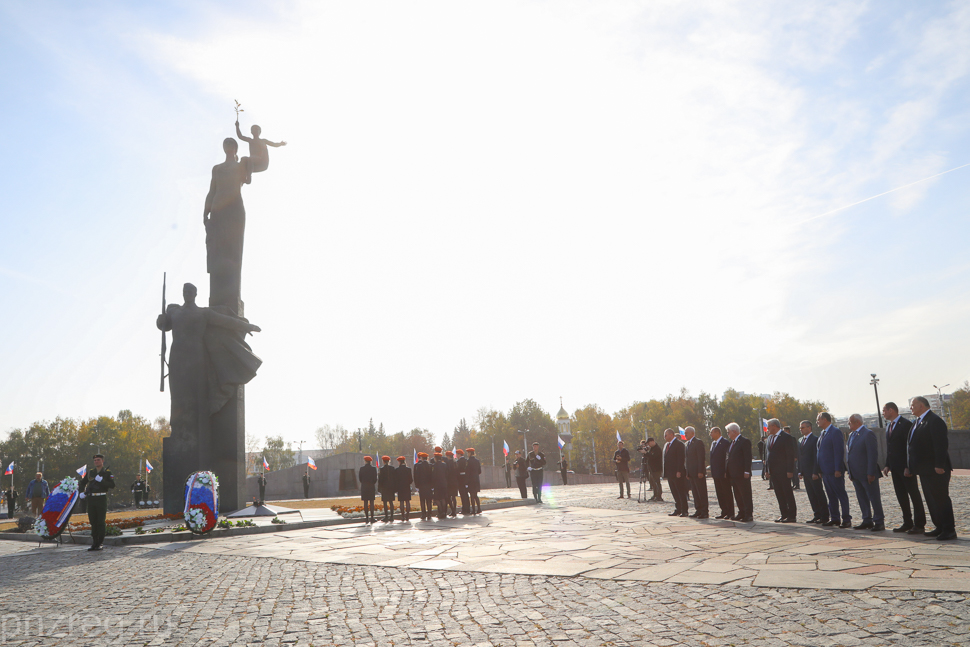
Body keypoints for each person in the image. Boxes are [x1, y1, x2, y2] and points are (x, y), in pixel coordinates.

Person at [907, 396, 956, 540]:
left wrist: (939, 465)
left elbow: (940, 445)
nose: (911, 408)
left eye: (912, 405)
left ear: (921, 405)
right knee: (931, 500)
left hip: (935, 469)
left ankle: (949, 529)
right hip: (924, 470)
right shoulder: (918, 421)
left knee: (941, 499)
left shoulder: (934, 421)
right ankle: (939, 526)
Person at [882, 402, 924, 534]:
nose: (883, 413)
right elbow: (890, 448)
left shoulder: (905, 424)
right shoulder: (889, 426)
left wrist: (908, 466)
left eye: (884, 410)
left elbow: (910, 447)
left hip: (906, 468)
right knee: (901, 496)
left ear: (891, 410)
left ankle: (919, 523)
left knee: (914, 495)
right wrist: (887, 464)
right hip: (895, 468)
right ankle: (907, 522)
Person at [846, 413, 885, 531]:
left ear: (857, 422)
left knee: (874, 497)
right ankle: (867, 520)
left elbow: (872, 455)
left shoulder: (868, 434)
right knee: (862, 498)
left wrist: (871, 472)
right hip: (856, 474)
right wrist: (850, 472)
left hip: (867, 473)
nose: (848, 424)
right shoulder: (852, 435)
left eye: (850, 422)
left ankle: (879, 521)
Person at [816, 411, 852, 528]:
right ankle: (835, 518)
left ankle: (846, 519)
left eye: (818, 419)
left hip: (834, 470)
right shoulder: (822, 433)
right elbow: (819, 453)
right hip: (825, 471)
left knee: (840, 494)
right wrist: (820, 470)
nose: (817, 421)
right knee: (831, 496)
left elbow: (838, 451)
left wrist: (838, 469)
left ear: (825, 419)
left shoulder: (835, 432)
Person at [78, 454, 115, 551]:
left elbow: (112, 485)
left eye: (98, 460)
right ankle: (94, 542)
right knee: (93, 521)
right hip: (91, 499)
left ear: (102, 461)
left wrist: (102, 481)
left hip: (101, 498)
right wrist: (81, 492)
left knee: (100, 522)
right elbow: (82, 482)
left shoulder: (107, 472)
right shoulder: (91, 472)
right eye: (95, 460)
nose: (96, 462)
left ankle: (100, 542)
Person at [764, 419, 797, 523]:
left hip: (784, 470)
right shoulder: (769, 438)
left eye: (768, 426)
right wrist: (767, 469)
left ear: (774, 426)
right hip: (773, 471)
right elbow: (767, 455)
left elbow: (790, 455)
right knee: (779, 493)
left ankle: (791, 515)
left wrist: (790, 470)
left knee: (787, 493)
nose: (767, 428)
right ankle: (784, 514)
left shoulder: (786, 437)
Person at [797, 420, 829, 524]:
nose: (801, 430)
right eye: (800, 428)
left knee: (818, 494)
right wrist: (800, 471)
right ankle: (817, 514)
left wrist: (816, 471)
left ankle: (824, 516)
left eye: (803, 427)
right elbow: (801, 457)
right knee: (811, 495)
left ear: (809, 428)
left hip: (813, 472)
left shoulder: (815, 439)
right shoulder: (801, 440)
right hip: (805, 472)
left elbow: (816, 457)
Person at [724, 423, 753, 522]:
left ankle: (748, 514)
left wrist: (747, 471)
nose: (727, 434)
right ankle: (741, 512)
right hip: (733, 474)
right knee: (737, 495)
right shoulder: (731, 443)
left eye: (728, 432)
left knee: (745, 494)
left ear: (734, 431)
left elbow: (747, 457)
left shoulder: (744, 441)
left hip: (741, 474)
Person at [662, 429, 688, 517]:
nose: (664, 437)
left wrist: (679, 471)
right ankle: (678, 509)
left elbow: (680, 459)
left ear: (671, 435)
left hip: (677, 472)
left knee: (680, 491)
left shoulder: (679, 444)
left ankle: (684, 510)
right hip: (670, 473)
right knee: (674, 491)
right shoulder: (667, 445)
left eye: (666, 435)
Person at [684, 427, 708, 518]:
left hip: (698, 473)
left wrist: (700, 471)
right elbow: (687, 460)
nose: (685, 434)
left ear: (692, 433)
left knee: (701, 492)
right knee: (695, 492)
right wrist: (687, 473)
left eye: (687, 433)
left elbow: (701, 458)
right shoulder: (687, 444)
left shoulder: (698, 442)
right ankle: (698, 510)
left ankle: (704, 511)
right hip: (691, 473)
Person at [709, 427, 733, 519]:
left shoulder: (725, 442)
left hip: (723, 473)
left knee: (726, 493)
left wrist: (726, 471)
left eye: (712, 433)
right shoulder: (713, 443)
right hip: (716, 473)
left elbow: (727, 458)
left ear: (717, 433)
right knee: (720, 493)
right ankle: (724, 511)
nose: (710, 435)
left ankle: (730, 512)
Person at [413, 452, 433, 521]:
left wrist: (417, 485)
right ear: (427, 458)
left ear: (421, 458)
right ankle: (429, 514)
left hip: (421, 485)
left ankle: (423, 514)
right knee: (429, 500)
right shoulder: (430, 465)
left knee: (422, 500)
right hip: (429, 485)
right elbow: (432, 476)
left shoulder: (418, 466)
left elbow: (417, 476)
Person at [359, 456, 377, 524]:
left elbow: (360, 478)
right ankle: (372, 518)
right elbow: (375, 479)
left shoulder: (362, 469)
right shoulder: (373, 468)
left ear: (365, 461)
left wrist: (364, 483)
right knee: (371, 503)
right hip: (371, 487)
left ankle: (367, 518)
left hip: (364, 487)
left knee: (365, 503)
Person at [431, 452, 450, 519]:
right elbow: (447, 474)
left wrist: (432, 485)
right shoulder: (444, 464)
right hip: (444, 483)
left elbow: (433, 476)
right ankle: (444, 512)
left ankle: (441, 511)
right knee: (443, 498)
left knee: (437, 499)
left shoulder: (434, 465)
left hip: (437, 484)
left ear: (435, 458)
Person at [378, 456, 396, 523]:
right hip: (391, 488)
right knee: (391, 502)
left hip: (385, 488)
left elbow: (380, 480)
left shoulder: (382, 469)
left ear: (383, 461)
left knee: (385, 503)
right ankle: (392, 516)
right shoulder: (392, 468)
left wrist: (379, 488)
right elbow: (395, 478)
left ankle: (386, 517)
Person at [395, 456, 413, 522]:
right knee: (407, 501)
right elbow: (411, 480)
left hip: (400, 488)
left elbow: (396, 480)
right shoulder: (408, 469)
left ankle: (402, 516)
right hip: (407, 487)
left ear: (399, 462)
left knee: (401, 502)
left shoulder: (397, 470)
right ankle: (407, 516)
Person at [466, 448, 482, 514]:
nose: (467, 454)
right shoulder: (477, 461)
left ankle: (473, 510)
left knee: (472, 496)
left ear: (470, 453)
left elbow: (467, 472)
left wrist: (466, 481)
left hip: (471, 480)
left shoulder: (468, 461)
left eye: (468, 453)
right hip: (476, 479)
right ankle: (479, 509)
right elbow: (479, 471)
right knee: (476, 495)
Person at [455, 449, 470, 515]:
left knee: (463, 495)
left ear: (459, 454)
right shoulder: (466, 460)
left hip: (461, 480)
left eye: (457, 454)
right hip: (466, 480)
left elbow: (457, 471)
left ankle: (464, 509)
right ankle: (468, 509)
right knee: (466, 495)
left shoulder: (459, 461)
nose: (457, 456)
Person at [443, 451, 458, 517]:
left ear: (448, 456)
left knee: (448, 497)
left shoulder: (448, 463)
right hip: (455, 482)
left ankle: (453, 510)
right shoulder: (455, 462)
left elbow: (447, 472)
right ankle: (454, 510)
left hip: (449, 482)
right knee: (454, 497)